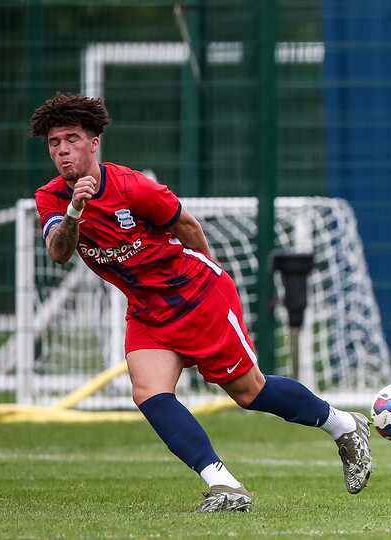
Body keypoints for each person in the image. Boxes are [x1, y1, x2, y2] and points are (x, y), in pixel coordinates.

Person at [30, 92, 373, 513]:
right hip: (147, 310)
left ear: (94, 141)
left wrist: (210, 282)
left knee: (249, 393)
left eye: (72, 138)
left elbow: (188, 226)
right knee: (149, 392)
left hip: (197, 299)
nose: (63, 150)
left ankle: (343, 425)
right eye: (54, 143)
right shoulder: (52, 198)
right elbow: (59, 253)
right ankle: (224, 485)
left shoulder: (133, 187)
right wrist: (75, 212)